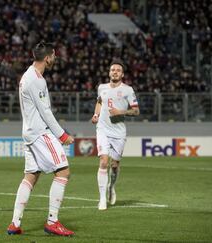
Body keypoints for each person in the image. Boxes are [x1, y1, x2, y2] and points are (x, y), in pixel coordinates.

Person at [7, 42, 75, 236]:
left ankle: (15, 223)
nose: (54, 59)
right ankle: (52, 221)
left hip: (29, 132)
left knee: (30, 176)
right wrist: (62, 135)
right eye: (53, 56)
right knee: (63, 172)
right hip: (40, 133)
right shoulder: (36, 79)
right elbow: (45, 112)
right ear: (47, 58)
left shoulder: (28, 75)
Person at [91, 59, 140, 210]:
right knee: (104, 161)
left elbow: (136, 111)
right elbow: (99, 102)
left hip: (118, 132)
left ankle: (111, 187)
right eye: (113, 70)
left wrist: (121, 112)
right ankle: (102, 199)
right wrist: (96, 115)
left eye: (118, 70)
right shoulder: (102, 87)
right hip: (103, 129)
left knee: (115, 165)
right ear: (109, 72)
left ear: (122, 74)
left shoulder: (128, 90)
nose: (115, 72)